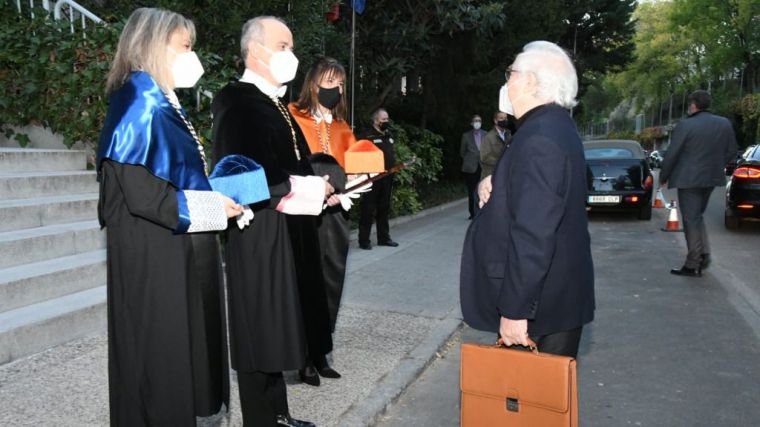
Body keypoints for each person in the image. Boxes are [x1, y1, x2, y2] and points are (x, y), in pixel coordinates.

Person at [97, 8, 243, 425]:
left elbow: (178, 175)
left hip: (169, 243)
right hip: (151, 249)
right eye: (185, 47)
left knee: (178, 348)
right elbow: (144, 194)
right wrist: (212, 209)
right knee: (159, 352)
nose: (191, 57)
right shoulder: (140, 102)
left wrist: (215, 199)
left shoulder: (161, 99)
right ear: (153, 45)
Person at [212, 16, 335, 427]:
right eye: (282, 46)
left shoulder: (273, 102)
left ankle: (278, 415)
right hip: (259, 230)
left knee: (276, 325)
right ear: (255, 51)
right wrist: (303, 188)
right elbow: (236, 177)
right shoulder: (238, 101)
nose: (291, 55)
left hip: (285, 227)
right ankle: (260, 421)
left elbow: (290, 164)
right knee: (258, 329)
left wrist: (324, 185)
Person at [460, 41, 595, 359]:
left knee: (529, 403)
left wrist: (515, 310)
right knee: (537, 405)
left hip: (539, 309)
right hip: (554, 300)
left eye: (511, 73)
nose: (506, 82)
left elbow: (534, 232)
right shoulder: (553, 127)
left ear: (532, 81)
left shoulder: (539, 138)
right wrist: (500, 180)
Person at [288, 57, 355, 385]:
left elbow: (357, 172)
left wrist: (344, 195)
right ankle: (302, 356)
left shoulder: (343, 127)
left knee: (332, 279)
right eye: (331, 82)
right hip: (302, 212)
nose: (337, 90)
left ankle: (322, 351)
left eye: (341, 84)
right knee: (304, 280)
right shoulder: (292, 117)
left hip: (334, 216)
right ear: (314, 83)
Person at [660, 90, 737, 277]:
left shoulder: (685, 125)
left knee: (690, 219)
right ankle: (703, 254)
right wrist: (716, 165)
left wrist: (663, 176)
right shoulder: (724, 123)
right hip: (711, 178)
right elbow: (731, 151)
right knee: (697, 217)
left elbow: (672, 154)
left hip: (688, 180)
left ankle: (693, 263)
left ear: (693, 105)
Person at [358, 108, 398, 249]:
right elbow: (359, 156)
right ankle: (364, 241)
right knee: (368, 209)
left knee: (384, 208)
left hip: (387, 177)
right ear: (376, 120)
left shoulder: (388, 135)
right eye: (383, 119)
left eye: (387, 119)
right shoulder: (366, 136)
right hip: (373, 178)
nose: (386, 122)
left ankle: (384, 238)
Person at [460, 115, 487, 219]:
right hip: (470, 167)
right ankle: (472, 213)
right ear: (471, 123)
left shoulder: (486, 134)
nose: (477, 122)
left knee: (482, 189)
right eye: (475, 120)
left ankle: (481, 211)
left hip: (483, 166)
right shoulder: (466, 136)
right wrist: (469, 159)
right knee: (471, 190)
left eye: (479, 120)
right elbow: (462, 152)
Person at [479, 110, 511, 179]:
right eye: (501, 118)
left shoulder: (508, 134)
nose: (504, 120)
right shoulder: (488, 137)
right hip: (491, 175)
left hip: (506, 173)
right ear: (495, 121)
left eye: (506, 118)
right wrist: (501, 161)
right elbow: (484, 157)